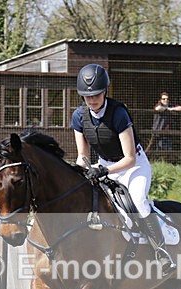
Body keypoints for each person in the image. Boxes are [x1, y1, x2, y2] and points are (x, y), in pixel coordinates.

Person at [72, 64, 175, 275]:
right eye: (87, 96)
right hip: (104, 164)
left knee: (137, 202)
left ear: (105, 92)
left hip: (134, 165)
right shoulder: (79, 117)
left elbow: (129, 158)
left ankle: (162, 252)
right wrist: (78, 174)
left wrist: (103, 172)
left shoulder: (118, 113)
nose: (92, 100)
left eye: (96, 95)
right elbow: (82, 156)